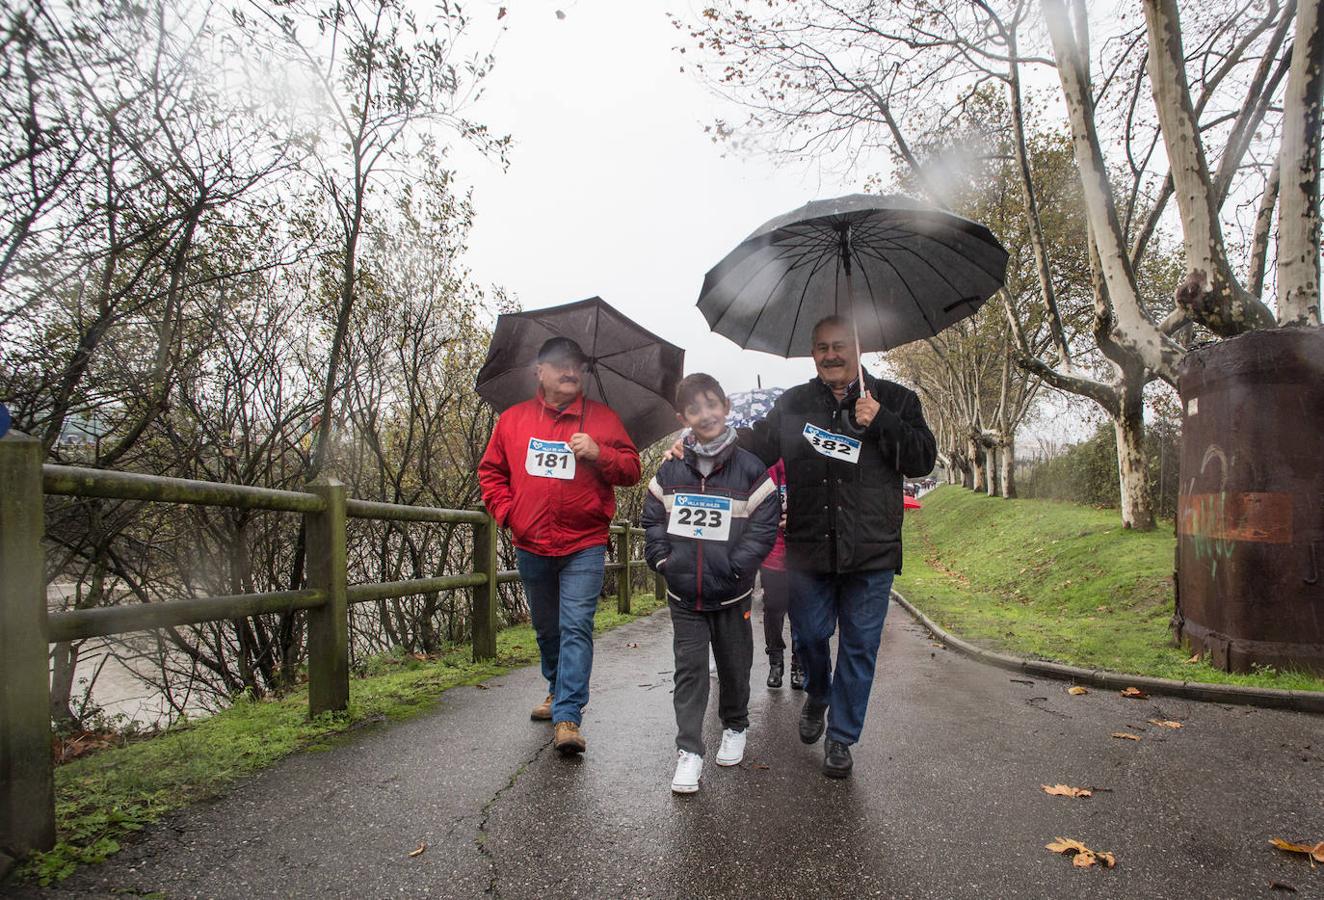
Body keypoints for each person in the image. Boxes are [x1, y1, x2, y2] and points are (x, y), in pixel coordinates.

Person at [738, 315, 936, 778]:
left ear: (858, 349)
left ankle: (842, 737)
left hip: (872, 551)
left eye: (840, 345)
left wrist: (882, 420)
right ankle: (820, 695)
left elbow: (923, 458)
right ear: (813, 354)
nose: (831, 354)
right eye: (822, 347)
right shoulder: (794, 403)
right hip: (809, 550)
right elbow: (754, 448)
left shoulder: (898, 400)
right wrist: (702, 446)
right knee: (808, 636)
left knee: (860, 645)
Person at [477, 336, 641, 756]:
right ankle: (556, 687)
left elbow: (632, 470)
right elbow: (491, 473)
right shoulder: (513, 420)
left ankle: (568, 716)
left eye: (576, 365)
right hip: (530, 542)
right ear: (540, 371)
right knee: (547, 628)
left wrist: (599, 453)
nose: (570, 371)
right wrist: (509, 513)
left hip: (583, 542)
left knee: (576, 625)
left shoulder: (602, 419)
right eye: (560, 364)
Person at [642, 373, 780, 794]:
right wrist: (663, 558)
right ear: (683, 416)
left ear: (726, 407)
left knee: (735, 664)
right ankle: (689, 751)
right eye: (695, 408)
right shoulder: (669, 468)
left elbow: (764, 524)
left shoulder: (751, 469)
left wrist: (738, 567)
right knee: (690, 671)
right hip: (683, 593)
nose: (706, 415)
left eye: (712, 404)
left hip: (732, 591)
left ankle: (735, 724)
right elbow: (652, 519)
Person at [759, 459, 803, 690]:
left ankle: (799, 663)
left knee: (801, 612)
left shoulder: (807, 463)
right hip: (773, 554)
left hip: (803, 555)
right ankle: (775, 662)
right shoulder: (770, 468)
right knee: (774, 609)